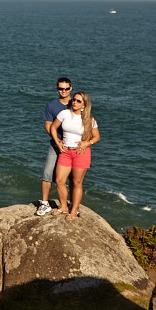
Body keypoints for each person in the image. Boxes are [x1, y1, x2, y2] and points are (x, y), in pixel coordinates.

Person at [50, 91, 100, 221]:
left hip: (81, 153)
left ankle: (73, 211)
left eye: (78, 101)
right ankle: (64, 206)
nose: (75, 102)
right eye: (74, 100)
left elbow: (97, 137)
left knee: (77, 183)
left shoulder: (89, 119)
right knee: (60, 181)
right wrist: (57, 142)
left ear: (84, 104)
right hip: (65, 152)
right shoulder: (64, 114)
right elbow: (53, 128)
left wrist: (87, 143)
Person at [35, 77, 72, 216]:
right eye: (60, 88)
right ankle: (44, 204)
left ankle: (71, 204)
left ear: (70, 89)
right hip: (56, 144)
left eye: (66, 88)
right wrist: (57, 141)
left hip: (72, 147)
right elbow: (48, 126)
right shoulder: (51, 105)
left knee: (72, 178)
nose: (63, 91)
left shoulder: (76, 104)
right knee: (47, 173)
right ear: (57, 89)